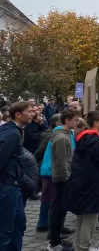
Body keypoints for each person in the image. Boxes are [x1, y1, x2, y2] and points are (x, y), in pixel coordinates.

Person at [67, 110, 99, 251]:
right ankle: (84, 246)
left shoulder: (82, 137)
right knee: (90, 217)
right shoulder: (97, 141)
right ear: (96, 123)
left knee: (82, 216)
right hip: (92, 183)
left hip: (80, 181)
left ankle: (79, 245)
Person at [0, 101, 33, 250]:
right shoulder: (12, 133)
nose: (33, 113)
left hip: (14, 185)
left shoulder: (14, 130)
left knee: (19, 224)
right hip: (7, 186)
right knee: (6, 231)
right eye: (29, 111)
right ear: (18, 115)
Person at [46, 109, 79, 251]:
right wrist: (68, 180)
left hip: (63, 178)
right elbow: (62, 163)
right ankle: (55, 243)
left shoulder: (66, 134)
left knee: (61, 210)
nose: (77, 122)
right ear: (67, 120)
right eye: (75, 120)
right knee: (59, 211)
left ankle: (57, 238)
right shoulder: (61, 138)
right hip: (62, 180)